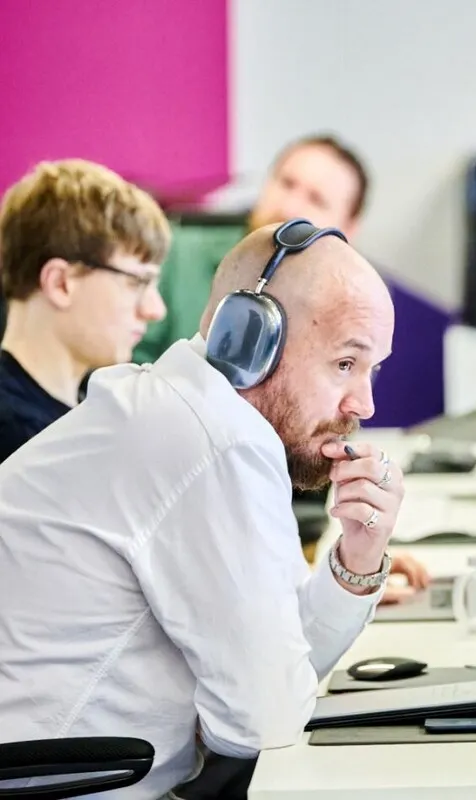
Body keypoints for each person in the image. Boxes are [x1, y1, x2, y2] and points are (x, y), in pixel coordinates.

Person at [0, 222, 430, 799]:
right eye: (346, 364)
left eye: (372, 369)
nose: (365, 404)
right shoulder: (214, 439)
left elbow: (275, 668)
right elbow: (262, 725)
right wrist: (263, 695)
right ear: (250, 338)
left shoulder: (190, 416)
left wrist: (358, 555)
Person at [133, 133, 368, 364]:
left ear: (348, 228)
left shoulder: (353, 314)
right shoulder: (178, 251)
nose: (289, 207)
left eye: (316, 199)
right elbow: (126, 369)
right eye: (286, 184)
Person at [0, 159, 171, 463]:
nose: (154, 310)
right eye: (137, 282)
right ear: (61, 283)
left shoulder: (86, 415)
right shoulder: (22, 446)